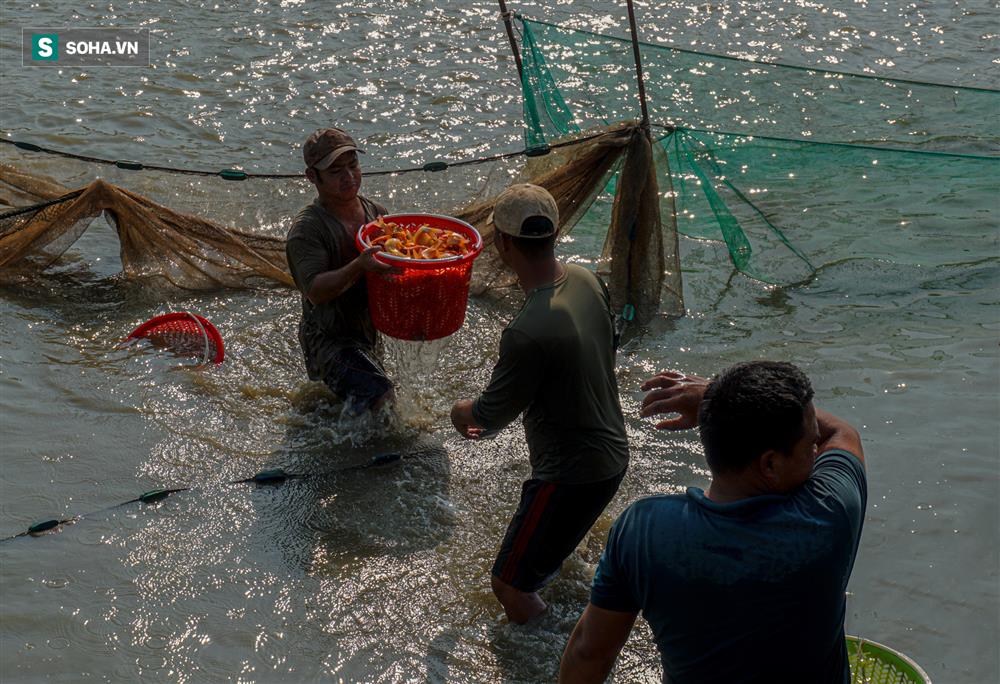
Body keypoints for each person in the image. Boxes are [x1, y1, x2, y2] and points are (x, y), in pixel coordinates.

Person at [559, 361, 867, 683]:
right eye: (810, 446)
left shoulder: (644, 530)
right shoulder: (829, 515)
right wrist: (710, 394)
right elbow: (842, 433)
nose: (817, 453)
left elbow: (589, 654)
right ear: (770, 464)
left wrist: (721, 404)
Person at [450, 183, 629, 625]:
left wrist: (456, 412)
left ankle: (561, 653)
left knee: (509, 585)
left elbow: (488, 418)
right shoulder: (588, 280)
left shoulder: (526, 331)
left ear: (503, 243)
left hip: (570, 475)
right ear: (554, 234)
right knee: (556, 547)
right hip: (613, 456)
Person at [285, 127, 398, 413]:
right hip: (328, 339)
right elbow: (315, 291)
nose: (349, 177)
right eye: (336, 171)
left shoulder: (377, 214)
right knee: (382, 399)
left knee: (363, 399)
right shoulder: (308, 229)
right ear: (313, 177)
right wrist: (360, 265)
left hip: (365, 330)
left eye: (353, 165)